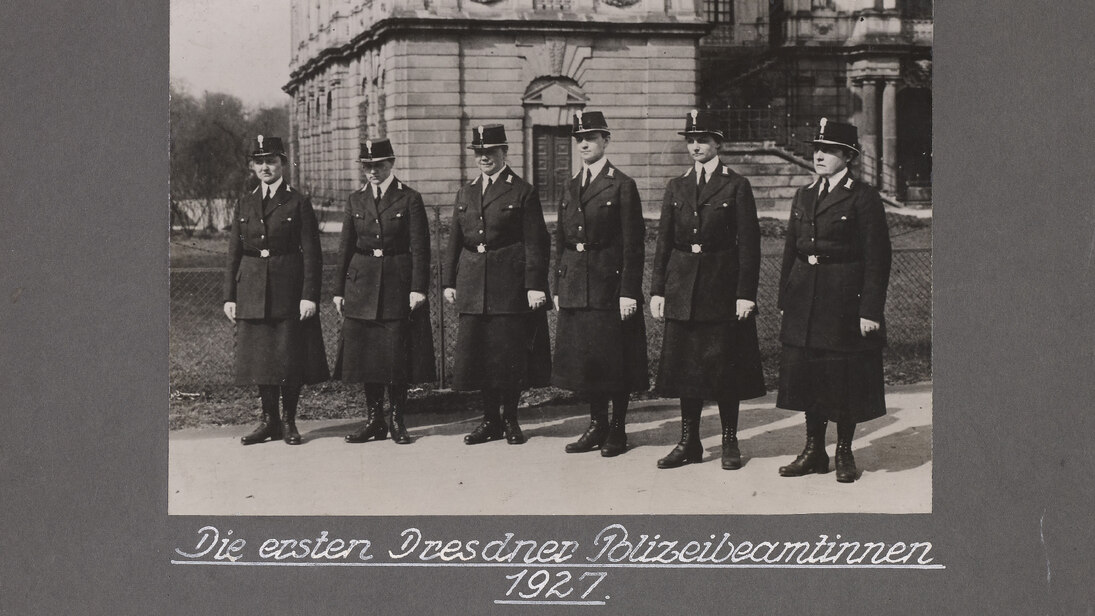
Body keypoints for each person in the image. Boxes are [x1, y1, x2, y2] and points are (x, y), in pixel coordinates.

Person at [776, 118, 892, 483]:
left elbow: (877, 257)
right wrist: (784, 298)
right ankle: (813, 450)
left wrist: (869, 309)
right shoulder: (805, 194)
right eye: (817, 149)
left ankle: (843, 452)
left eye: (828, 150)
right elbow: (791, 250)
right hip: (805, 297)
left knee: (842, 379)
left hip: (843, 299)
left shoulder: (863, 196)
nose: (820, 155)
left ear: (848, 156)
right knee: (809, 376)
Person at [649, 110, 766, 469]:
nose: (695, 146)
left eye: (702, 140)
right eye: (690, 140)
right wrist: (657, 291)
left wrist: (745, 293)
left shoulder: (736, 185)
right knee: (687, 369)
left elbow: (749, 244)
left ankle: (729, 441)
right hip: (683, 288)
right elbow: (664, 243)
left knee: (724, 368)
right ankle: (689, 441)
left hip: (721, 287)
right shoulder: (677, 186)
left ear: (718, 143)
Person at [442, 124, 552, 445]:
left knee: (508, 356)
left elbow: (536, 243)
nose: (483, 158)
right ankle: (489, 421)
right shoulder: (466, 192)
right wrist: (450, 282)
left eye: (490, 151)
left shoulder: (522, 191)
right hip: (474, 284)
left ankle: (511, 420)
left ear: (504, 152)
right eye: (479, 152)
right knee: (481, 356)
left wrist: (534, 285)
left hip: (509, 284)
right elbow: (454, 243)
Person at [551, 111, 648, 457]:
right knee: (588, 361)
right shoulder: (570, 184)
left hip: (610, 286)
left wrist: (629, 291)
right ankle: (597, 425)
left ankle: (618, 430)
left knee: (614, 361)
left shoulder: (621, 184)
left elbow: (633, 244)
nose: (584, 144)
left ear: (606, 140)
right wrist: (557, 285)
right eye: (579, 138)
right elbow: (560, 240)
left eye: (591, 137)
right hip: (576, 283)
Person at [224, 135, 329, 446]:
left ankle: (289, 422)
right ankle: (268, 421)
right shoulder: (244, 202)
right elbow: (233, 253)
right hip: (252, 289)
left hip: (288, 288)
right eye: (259, 161)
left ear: (283, 163)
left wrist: (309, 295)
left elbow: (312, 253)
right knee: (261, 359)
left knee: (287, 358)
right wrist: (229, 296)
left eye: (271, 160)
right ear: (252, 166)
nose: (265, 167)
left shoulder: (298, 202)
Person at [332, 138, 436, 445]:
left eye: (378, 166)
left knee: (395, 357)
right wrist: (339, 290)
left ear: (391, 163)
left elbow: (420, 248)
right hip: (361, 284)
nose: (372, 172)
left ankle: (397, 420)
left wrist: (418, 288)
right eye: (367, 167)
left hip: (396, 283)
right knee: (368, 358)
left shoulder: (409, 198)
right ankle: (374, 419)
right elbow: (345, 248)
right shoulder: (355, 200)